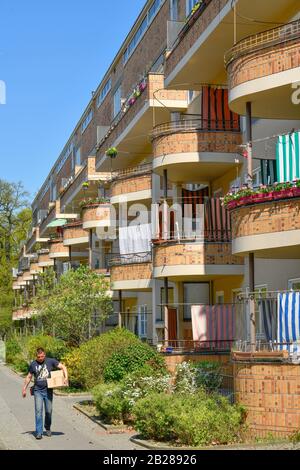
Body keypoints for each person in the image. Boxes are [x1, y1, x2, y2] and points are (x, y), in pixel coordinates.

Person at [22, 347, 68, 440]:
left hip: (48, 391)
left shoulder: (50, 361)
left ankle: (47, 427)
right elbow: (29, 376)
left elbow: (63, 367)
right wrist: (24, 389)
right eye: (38, 357)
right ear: (36, 356)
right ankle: (39, 432)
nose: (40, 358)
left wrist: (66, 377)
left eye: (42, 356)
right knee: (38, 411)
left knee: (48, 411)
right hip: (37, 391)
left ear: (45, 355)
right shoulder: (33, 364)